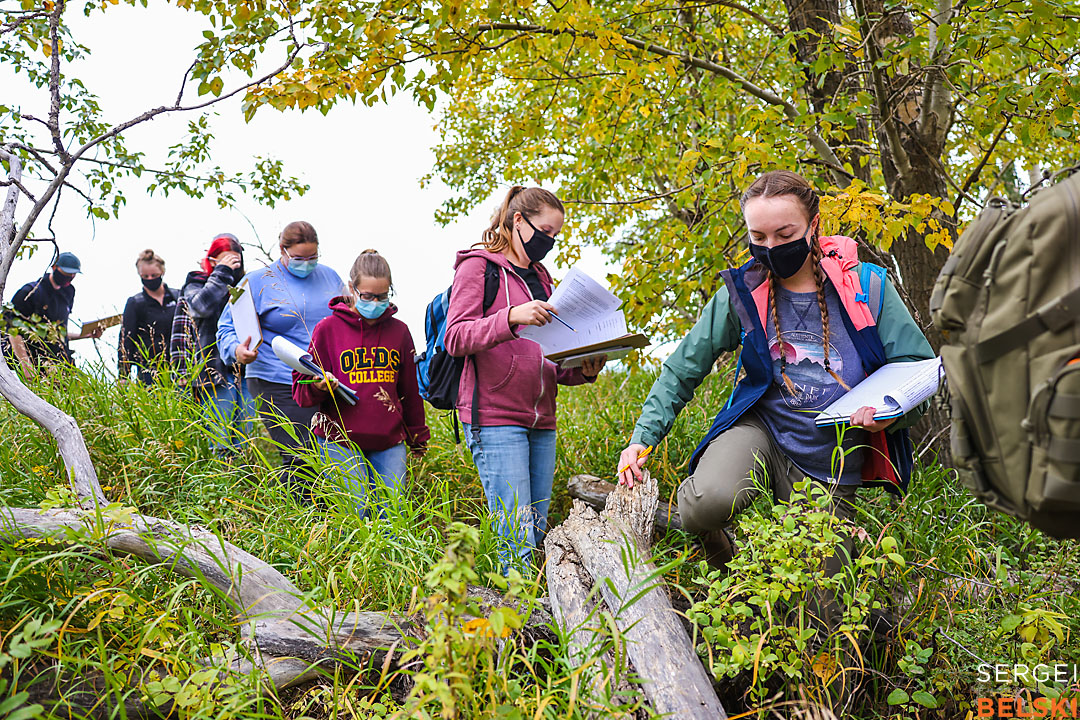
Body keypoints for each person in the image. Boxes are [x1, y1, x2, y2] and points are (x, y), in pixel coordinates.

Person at [617, 170, 934, 618]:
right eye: (758, 236)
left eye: (785, 234)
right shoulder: (743, 294)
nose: (771, 247)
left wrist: (888, 415)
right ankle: (712, 537)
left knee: (824, 613)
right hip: (762, 431)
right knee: (707, 502)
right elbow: (685, 365)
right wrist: (642, 437)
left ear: (814, 225)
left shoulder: (869, 287)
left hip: (832, 456)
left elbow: (917, 370)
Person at [445, 185, 606, 567]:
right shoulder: (477, 267)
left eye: (556, 236)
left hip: (541, 418)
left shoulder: (542, 278)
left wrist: (582, 369)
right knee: (514, 536)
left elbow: (545, 354)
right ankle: (515, 622)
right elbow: (455, 337)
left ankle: (536, 618)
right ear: (518, 221)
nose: (549, 241)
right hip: (495, 416)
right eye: (545, 232)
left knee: (536, 531)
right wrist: (509, 317)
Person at [292, 249, 429, 516]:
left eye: (383, 296)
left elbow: (410, 390)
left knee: (393, 514)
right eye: (368, 296)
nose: (376, 303)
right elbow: (300, 390)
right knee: (357, 512)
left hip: (389, 441)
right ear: (352, 289)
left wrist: (418, 435)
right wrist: (318, 387)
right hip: (340, 440)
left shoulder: (399, 331)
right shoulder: (327, 329)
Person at [217, 221, 343, 499]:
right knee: (302, 453)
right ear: (283, 251)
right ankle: (306, 522)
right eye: (299, 259)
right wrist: (237, 351)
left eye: (313, 257)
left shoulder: (330, 277)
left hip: (323, 380)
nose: (307, 264)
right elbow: (226, 327)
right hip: (275, 379)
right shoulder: (257, 281)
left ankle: (334, 517)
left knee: (332, 452)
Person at [170, 233, 257, 456]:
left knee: (245, 438)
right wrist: (222, 273)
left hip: (246, 368)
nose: (233, 267)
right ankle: (222, 486)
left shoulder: (248, 285)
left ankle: (244, 487)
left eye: (235, 262)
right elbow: (200, 307)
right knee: (220, 439)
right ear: (212, 260)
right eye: (226, 261)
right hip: (214, 370)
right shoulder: (195, 283)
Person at [8, 251, 100, 369]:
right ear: (54, 267)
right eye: (67, 273)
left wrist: (85, 335)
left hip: (58, 362)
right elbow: (12, 331)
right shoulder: (30, 292)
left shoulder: (68, 293)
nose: (70, 277)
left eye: (73, 274)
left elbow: (58, 333)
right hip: (32, 360)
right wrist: (26, 367)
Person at [118, 249, 179, 384]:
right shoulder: (135, 303)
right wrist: (123, 374)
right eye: (145, 277)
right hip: (149, 370)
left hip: (178, 367)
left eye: (154, 275)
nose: (150, 279)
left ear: (162, 272)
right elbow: (126, 339)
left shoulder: (177, 297)